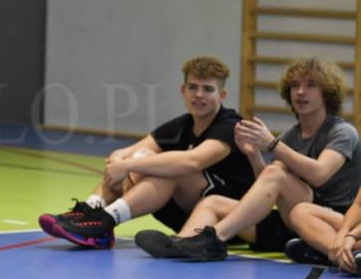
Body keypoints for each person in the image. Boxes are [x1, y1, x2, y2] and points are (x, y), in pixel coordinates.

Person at [139, 58, 361, 261]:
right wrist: (254, 155)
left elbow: (319, 174)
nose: (301, 92)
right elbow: (267, 189)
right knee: (212, 202)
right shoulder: (291, 136)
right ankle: (184, 242)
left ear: (327, 93)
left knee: (280, 180)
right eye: (295, 86)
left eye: (311, 85)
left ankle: (215, 238)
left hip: (332, 220)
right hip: (291, 219)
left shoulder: (341, 132)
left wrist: (273, 144)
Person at [38, 56, 255, 249]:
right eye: (193, 87)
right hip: (188, 217)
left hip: (229, 222)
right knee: (141, 158)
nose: (199, 95)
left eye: (208, 89)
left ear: (222, 95)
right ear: (183, 90)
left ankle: (105, 221)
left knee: (172, 170)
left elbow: (193, 161)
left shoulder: (230, 125)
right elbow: (126, 152)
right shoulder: (182, 125)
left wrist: (128, 165)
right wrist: (120, 161)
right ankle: (91, 211)